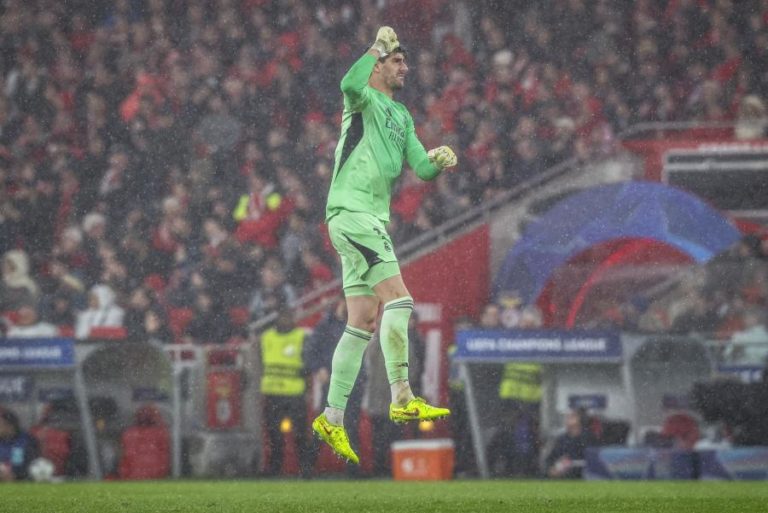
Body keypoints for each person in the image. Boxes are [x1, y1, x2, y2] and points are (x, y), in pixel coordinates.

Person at [312, 26, 458, 464]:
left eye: (404, 61)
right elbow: (347, 83)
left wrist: (437, 161)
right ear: (377, 66)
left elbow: (419, 167)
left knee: (361, 320)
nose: (404, 67)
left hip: (365, 219)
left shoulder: (403, 116)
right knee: (400, 300)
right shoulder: (362, 100)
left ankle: (331, 417)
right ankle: (402, 396)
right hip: (353, 213)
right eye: (397, 60)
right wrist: (376, 46)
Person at [259, 308, 312, 477]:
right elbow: (260, 364)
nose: (285, 320)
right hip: (273, 393)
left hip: (294, 393)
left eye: (288, 317)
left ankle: (305, 469)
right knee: (274, 435)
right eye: (283, 317)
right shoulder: (266, 338)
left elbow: (308, 365)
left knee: (300, 435)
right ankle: (275, 469)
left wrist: (307, 389)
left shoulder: (301, 337)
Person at [544, 409, 598, 479]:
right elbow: (550, 459)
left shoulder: (588, 437)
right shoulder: (561, 439)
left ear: (580, 418)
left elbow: (593, 460)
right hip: (563, 478)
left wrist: (571, 464)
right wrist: (552, 470)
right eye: (567, 417)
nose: (568, 419)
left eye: (572, 416)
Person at [0, 407, 39, 481]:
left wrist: (16, 475)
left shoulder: (27, 441)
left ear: (9, 426)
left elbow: (33, 465)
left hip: (20, 481)